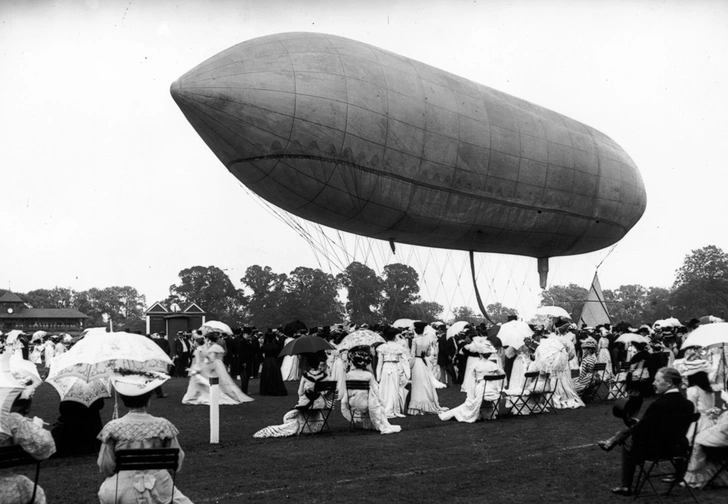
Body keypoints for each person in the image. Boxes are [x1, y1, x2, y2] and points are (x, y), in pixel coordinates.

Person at [97, 370, 193, 504]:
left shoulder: (112, 428)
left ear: (124, 400)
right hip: (160, 488)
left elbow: (106, 465)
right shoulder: (163, 425)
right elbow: (177, 460)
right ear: (148, 400)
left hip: (120, 490)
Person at [598, 367, 695, 496]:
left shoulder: (658, 405)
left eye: (657, 380)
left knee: (628, 442)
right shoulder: (688, 405)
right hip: (678, 449)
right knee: (637, 429)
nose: (653, 383)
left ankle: (626, 485)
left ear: (669, 383)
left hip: (655, 451)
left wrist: (635, 430)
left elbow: (641, 435)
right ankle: (678, 475)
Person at [253, 353, 335, 438]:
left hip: (308, 405)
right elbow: (330, 389)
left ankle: (303, 426)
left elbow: (300, 392)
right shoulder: (325, 376)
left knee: (289, 417)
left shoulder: (305, 376)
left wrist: (307, 390)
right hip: (321, 404)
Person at [0, 394, 56, 504]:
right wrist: (36, 426)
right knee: (34, 493)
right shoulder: (10, 419)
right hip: (7, 489)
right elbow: (43, 446)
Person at [439, 340, 504, 423]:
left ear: (480, 354)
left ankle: (480, 413)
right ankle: (486, 413)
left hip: (481, 389)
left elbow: (472, 379)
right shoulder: (493, 365)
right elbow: (502, 374)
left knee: (474, 394)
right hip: (492, 390)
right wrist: (493, 377)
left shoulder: (476, 365)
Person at [182, 333, 253, 405]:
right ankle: (228, 393)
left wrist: (207, 361)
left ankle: (202, 394)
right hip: (219, 364)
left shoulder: (210, 348)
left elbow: (211, 359)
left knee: (213, 381)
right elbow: (223, 353)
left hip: (213, 365)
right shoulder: (218, 347)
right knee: (223, 380)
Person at [341, 348, 402, 434]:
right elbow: (375, 390)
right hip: (366, 404)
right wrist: (381, 402)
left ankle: (366, 424)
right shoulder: (368, 375)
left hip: (352, 403)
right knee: (376, 402)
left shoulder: (349, 375)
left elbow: (347, 390)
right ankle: (373, 423)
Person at [407, 322, 447, 415]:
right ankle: (426, 402)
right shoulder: (428, 340)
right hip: (424, 361)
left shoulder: (414, 340)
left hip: (417, 362)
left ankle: (417, 404)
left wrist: (410, 366)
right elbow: (429, 353)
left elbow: (412, 355)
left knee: (417, 383)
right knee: (425, 382)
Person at [376, 327, 410, 418]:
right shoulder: (398, 347)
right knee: (393, 387)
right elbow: (405, 361)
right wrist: (407, 373)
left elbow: (379, 363)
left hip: (385, 367)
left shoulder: (383, 347)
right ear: (395, 337)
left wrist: (378, 376)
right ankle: (390, 408)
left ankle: (386, 407)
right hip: (394, 367)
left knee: (385, 388)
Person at [259, 332, 288, 396]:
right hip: (274, 361)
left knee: (266, 376)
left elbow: (259, 354)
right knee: (275, 376)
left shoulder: (264, 347)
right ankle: (275, 389)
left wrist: (262, 361)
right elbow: (280, 355)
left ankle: (266, 390)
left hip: (266, 362)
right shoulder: (276, 347)